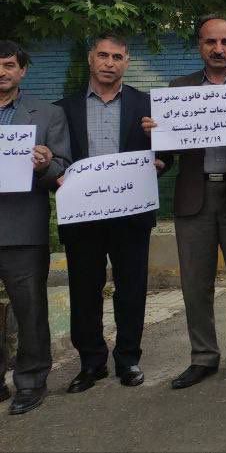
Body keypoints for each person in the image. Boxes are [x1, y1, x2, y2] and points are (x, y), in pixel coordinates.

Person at [144, 16, 226, 390]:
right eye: (210, 42)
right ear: (199, 45)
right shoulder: (178, 88)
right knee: (194, 283)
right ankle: (202, 356)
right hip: (194, 195)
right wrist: (156, 137)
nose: (218, 49)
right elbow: (166, 152)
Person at [55, 34, 158, 394]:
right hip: (82, 217)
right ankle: (91, 363)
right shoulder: (63, 109)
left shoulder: (146, 105)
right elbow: (56, 159)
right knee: (85, 289)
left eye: (117, 56)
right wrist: (54, 172)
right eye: (103, 55)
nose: (109, 63)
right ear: (90, 59)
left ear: (126, 62)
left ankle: (128, 359)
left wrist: (161, 161)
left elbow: (166, 152)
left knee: (132, 288)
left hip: (131, 215)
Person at [0, 40, 70, 414]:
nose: (1, 72)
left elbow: (62, 169)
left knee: (29, 311)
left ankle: (31, 382)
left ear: (22, 70)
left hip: (23, 228)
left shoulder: (46, 115)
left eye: (9, 65)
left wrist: (46, 165)